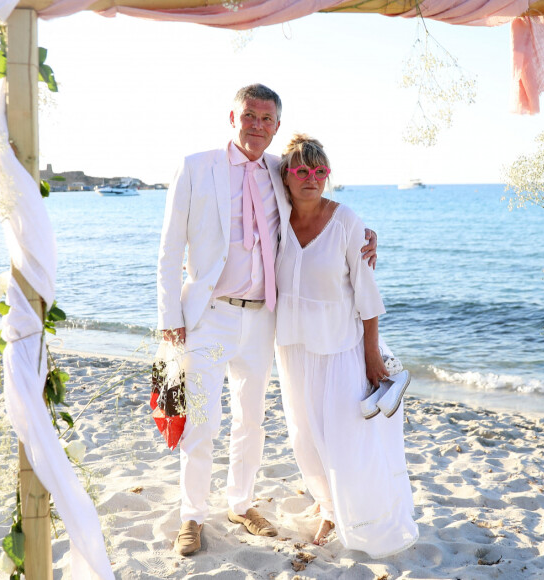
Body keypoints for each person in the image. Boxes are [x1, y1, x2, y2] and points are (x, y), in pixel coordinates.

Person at [157, 84, 378, 556]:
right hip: (209, 317)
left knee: (251, 420)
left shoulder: (279, 170)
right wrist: (169, 317)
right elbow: (170, 246)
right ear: (232, 117)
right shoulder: (197, 167)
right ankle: (192, 515)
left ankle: (240, 502)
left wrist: (364, 233)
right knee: (203, 419)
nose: (257, 126)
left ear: (277, 125)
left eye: (266, 119)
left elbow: (314, 203)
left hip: (262, 322)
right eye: (249, 116)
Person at [275, 134, 419, 556]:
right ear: (286, 175)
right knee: (304, 436)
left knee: (345, 438)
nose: (311, 178)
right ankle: (327, 508)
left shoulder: (346, 221)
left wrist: (371, 354)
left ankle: (361, 514)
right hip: (293, 348)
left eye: (320, 171)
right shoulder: (278, 218)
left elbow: (367, 294)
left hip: (340, 348)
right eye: (302, 169)